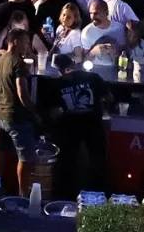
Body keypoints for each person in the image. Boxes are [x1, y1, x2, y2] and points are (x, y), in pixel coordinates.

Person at [47, 53, 110, 195]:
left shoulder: (57, 84)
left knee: (68, 162)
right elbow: (109, 97)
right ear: (73, 63)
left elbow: (53, 112)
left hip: (70, 128)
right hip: (93, 124)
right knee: (97, 160)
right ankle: (99, 193)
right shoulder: (93, 77)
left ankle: (66, 194)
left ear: (58, 69)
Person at [0, 24, 38, 194]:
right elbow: (22, 93)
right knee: (25, 159)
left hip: (0, 114)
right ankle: (23, 195)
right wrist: (33, 110)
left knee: (1, 151)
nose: (28, 46)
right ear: (16, 42)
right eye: (26, 43)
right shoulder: (18, 63)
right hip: (16, 116)